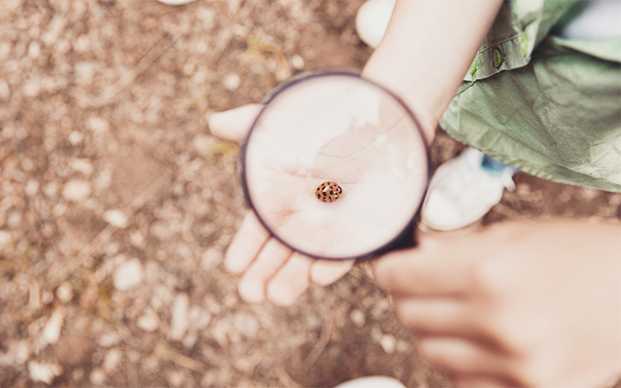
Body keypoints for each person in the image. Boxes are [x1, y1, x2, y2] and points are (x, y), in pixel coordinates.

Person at [208, 0, 621, 386]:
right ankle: (431, 40)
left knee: (537, 130)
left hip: (580, 120)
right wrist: (406, 82)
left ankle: (493, 160)